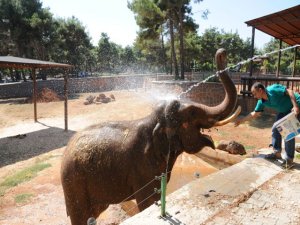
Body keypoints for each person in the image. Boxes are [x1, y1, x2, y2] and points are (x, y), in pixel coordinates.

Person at [234, 82, 300, 168]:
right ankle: (277, 153)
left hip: (297, 105)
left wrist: (295, 106)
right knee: (275, 128)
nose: (254, 96)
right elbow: (254, 114)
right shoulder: (261, 101)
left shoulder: (273, 89)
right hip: (284, 110)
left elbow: (290, 91)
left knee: (287, 130)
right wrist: (241, 121)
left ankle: (289, 159)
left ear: (260, 90)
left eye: (255, 93)